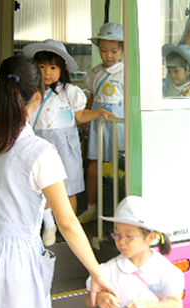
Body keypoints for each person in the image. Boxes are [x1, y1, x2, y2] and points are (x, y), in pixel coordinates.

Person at [0, 56, 116, 308]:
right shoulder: (40, 152)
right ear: (38, 96)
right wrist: (97, 272)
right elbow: (67, 222)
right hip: (16, 261)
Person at [22, 39, 114, 246]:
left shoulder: (70, 93)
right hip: (39, 143)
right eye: (42, 67)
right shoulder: (31, 92)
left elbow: (80, 116)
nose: (47, 72)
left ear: (62, 69)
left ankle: (68, 224)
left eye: (53, 67)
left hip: (65, 146)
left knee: (69, 188)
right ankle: (48, 225)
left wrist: (98, 112)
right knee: (42, 187)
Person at [85, 195, 184, 308]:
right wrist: (101, 297)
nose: (121, 242)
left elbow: (176, 307)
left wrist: (146, 306)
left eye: (129, 236)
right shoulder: (108, 269)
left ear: (150, 238)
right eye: (117, 235)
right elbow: (90, 299)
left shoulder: (165, 270)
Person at [78, 22, 125, 224]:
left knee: (121, 164)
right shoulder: (94, 73)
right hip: (98, 121)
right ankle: (91, 206)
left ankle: (122, 208)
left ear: (123, 50)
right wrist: (86, 119)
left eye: (114, 51)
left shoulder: (125, 73)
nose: (108, 56)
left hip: (118, 123)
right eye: (104, 51)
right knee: (94, 164)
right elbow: (92, 97)